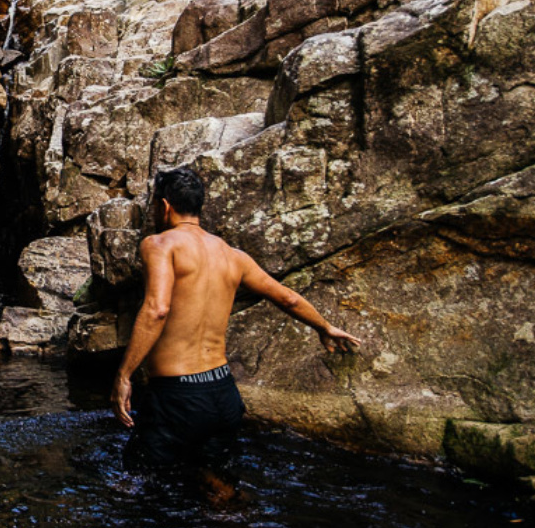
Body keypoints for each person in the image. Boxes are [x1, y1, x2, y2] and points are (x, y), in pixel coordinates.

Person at [111, 166, 361, 473]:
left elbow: (157, 309)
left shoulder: (161, 244)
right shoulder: (233, 255)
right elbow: (288, 298)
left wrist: (124, 376)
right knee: (219, 490)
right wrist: (325, 327)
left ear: (165, 206)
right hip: (223, 393)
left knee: (133, 482)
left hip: (178, 395)